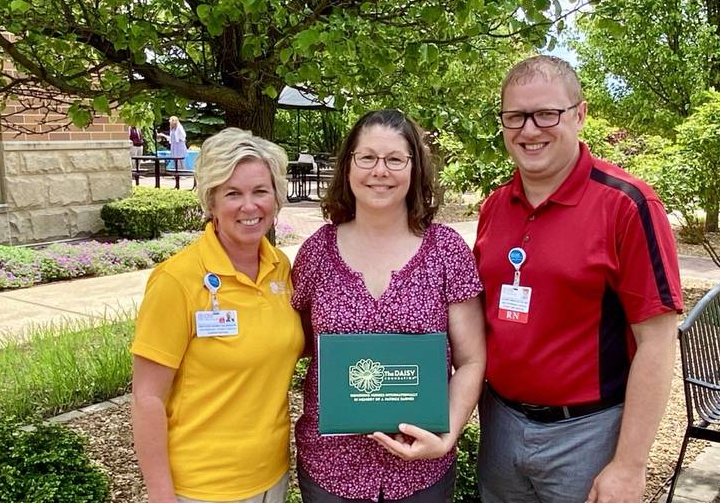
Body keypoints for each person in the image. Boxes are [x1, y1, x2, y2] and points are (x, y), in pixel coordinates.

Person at [474, 55, 684, 503]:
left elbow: (658, 341)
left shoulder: (627, 205)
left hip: (587, 434)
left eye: (546, 113)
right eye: (515, 117)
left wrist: (629, 465)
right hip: (499, 425)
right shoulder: (494, 207)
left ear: (580, 114)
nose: (529, 131)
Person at [291, 109, 486, 503]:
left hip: (422, 471)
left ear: (414, 169)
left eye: (395, 159)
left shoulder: (447, 250)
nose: (380, 170)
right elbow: (295, 346)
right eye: (367, 158)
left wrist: (447, 435)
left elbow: (471, 360)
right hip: (331, 467)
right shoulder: (315, 254)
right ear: (348, 166)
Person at [131, 127, 304, 503]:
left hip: (272, 478)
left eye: (260, 191)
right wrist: (161, 495)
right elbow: (147, 399)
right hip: (201, 488)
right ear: (211, 202)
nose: (249, 206)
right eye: (232, 193)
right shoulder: (176, 280)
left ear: (276, 198)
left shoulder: (281, 269)